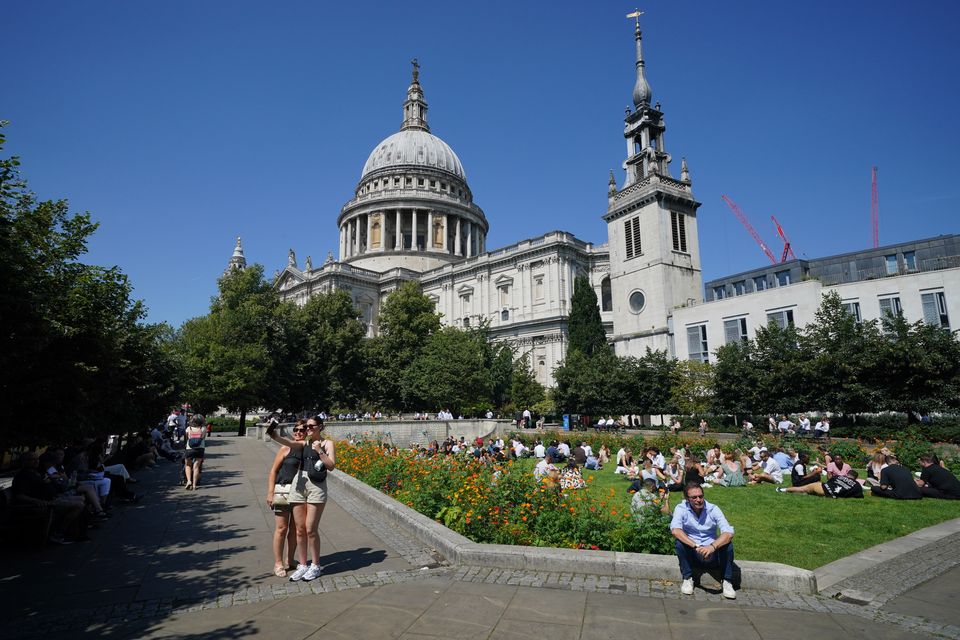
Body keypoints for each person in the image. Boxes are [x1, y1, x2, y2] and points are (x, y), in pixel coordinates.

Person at [267, 415, 335, 582]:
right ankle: (298, 564)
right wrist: (273, 433)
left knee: (309, 528)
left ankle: (312, 565)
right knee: (294, 529)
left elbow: (332, 466)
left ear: (320, 426)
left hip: (313, 487)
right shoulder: (304, 444)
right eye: (307, 427)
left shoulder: (327, 444)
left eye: (310, 427)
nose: (307, 430)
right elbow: (287, 443)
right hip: (293, 487)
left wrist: (319, 450)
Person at [670, 482, 736, 599]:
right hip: (693, 551)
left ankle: (727, 581)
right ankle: (687, 578)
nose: (698, 500)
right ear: (687, 499)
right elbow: (676, 530)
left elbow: (728, 533)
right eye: (694, 497)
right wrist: (696, 546)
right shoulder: (681, 508)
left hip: (712, 553)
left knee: (728, 545)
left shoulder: (713, 509)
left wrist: (712, 547)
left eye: (701, 496)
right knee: (680, 543)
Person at [266, 419, 305, 577]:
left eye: (301, 430)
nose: (297, 432)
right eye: (295, 429)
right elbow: (273, 471)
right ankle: (278, 563)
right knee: (282, 528)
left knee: (296, 529)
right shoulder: (286, 448)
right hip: (283, 490)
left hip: (300, 493)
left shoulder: (307, 449)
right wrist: (270, 492)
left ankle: (290, 559)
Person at [777, 470, 864, 498]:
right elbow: (859, 495)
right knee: (808, 491)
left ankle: (782, 489)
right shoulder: (857, 485)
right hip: (832, 494)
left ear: (847, 474)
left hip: (824, 488)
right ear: (855, 478)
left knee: (802, 488)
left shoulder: (839, 476)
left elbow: (829, 481)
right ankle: (808, 493)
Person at [183, 415, 207, 490]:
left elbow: (187, 439)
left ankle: (189, 481)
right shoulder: (203, 428)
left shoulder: (188, 428)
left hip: (189, 449)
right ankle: (194, 485)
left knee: (188, 465)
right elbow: (203, 438)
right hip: (200, 449)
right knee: (196, 467)